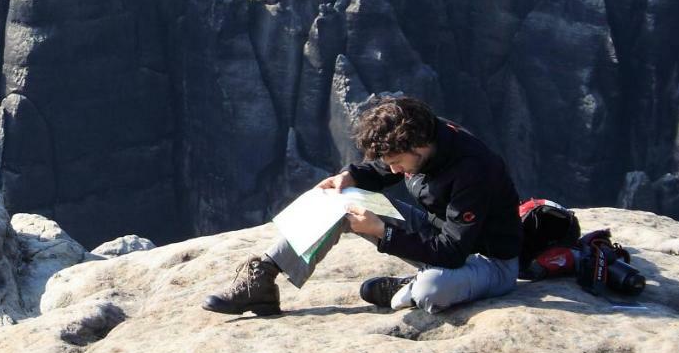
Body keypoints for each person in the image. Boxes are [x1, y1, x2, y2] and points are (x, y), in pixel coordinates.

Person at [202, 95, 522, 315]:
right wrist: (350, 177)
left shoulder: (472, 169)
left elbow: (454, 252)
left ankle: (410, 286)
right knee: (342, 201)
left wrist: (382, 232)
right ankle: (263, 278)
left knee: (430, 291)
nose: (395, 170)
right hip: (435, 233)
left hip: (487, 262)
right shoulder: (422, 140)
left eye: (398, 162)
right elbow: (381, 170)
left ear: (420, 145)